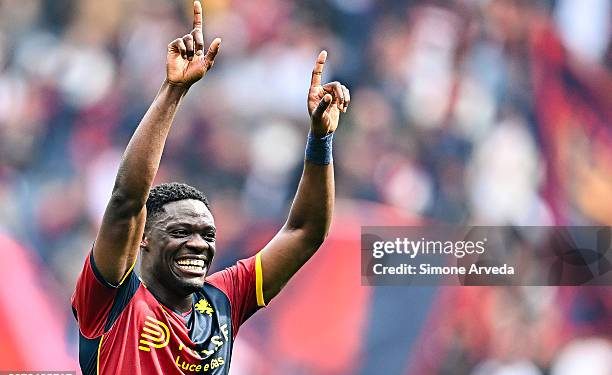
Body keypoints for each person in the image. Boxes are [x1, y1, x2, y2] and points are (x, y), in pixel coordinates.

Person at [71, 1, 349, 374]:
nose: (199, 244)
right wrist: (173, 91)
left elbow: (305, 231)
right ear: (143, 239)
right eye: (182, 231)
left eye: (207, 234)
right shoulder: (111, 299)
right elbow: (126, 200)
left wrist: (320, 139)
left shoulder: (223, 301)